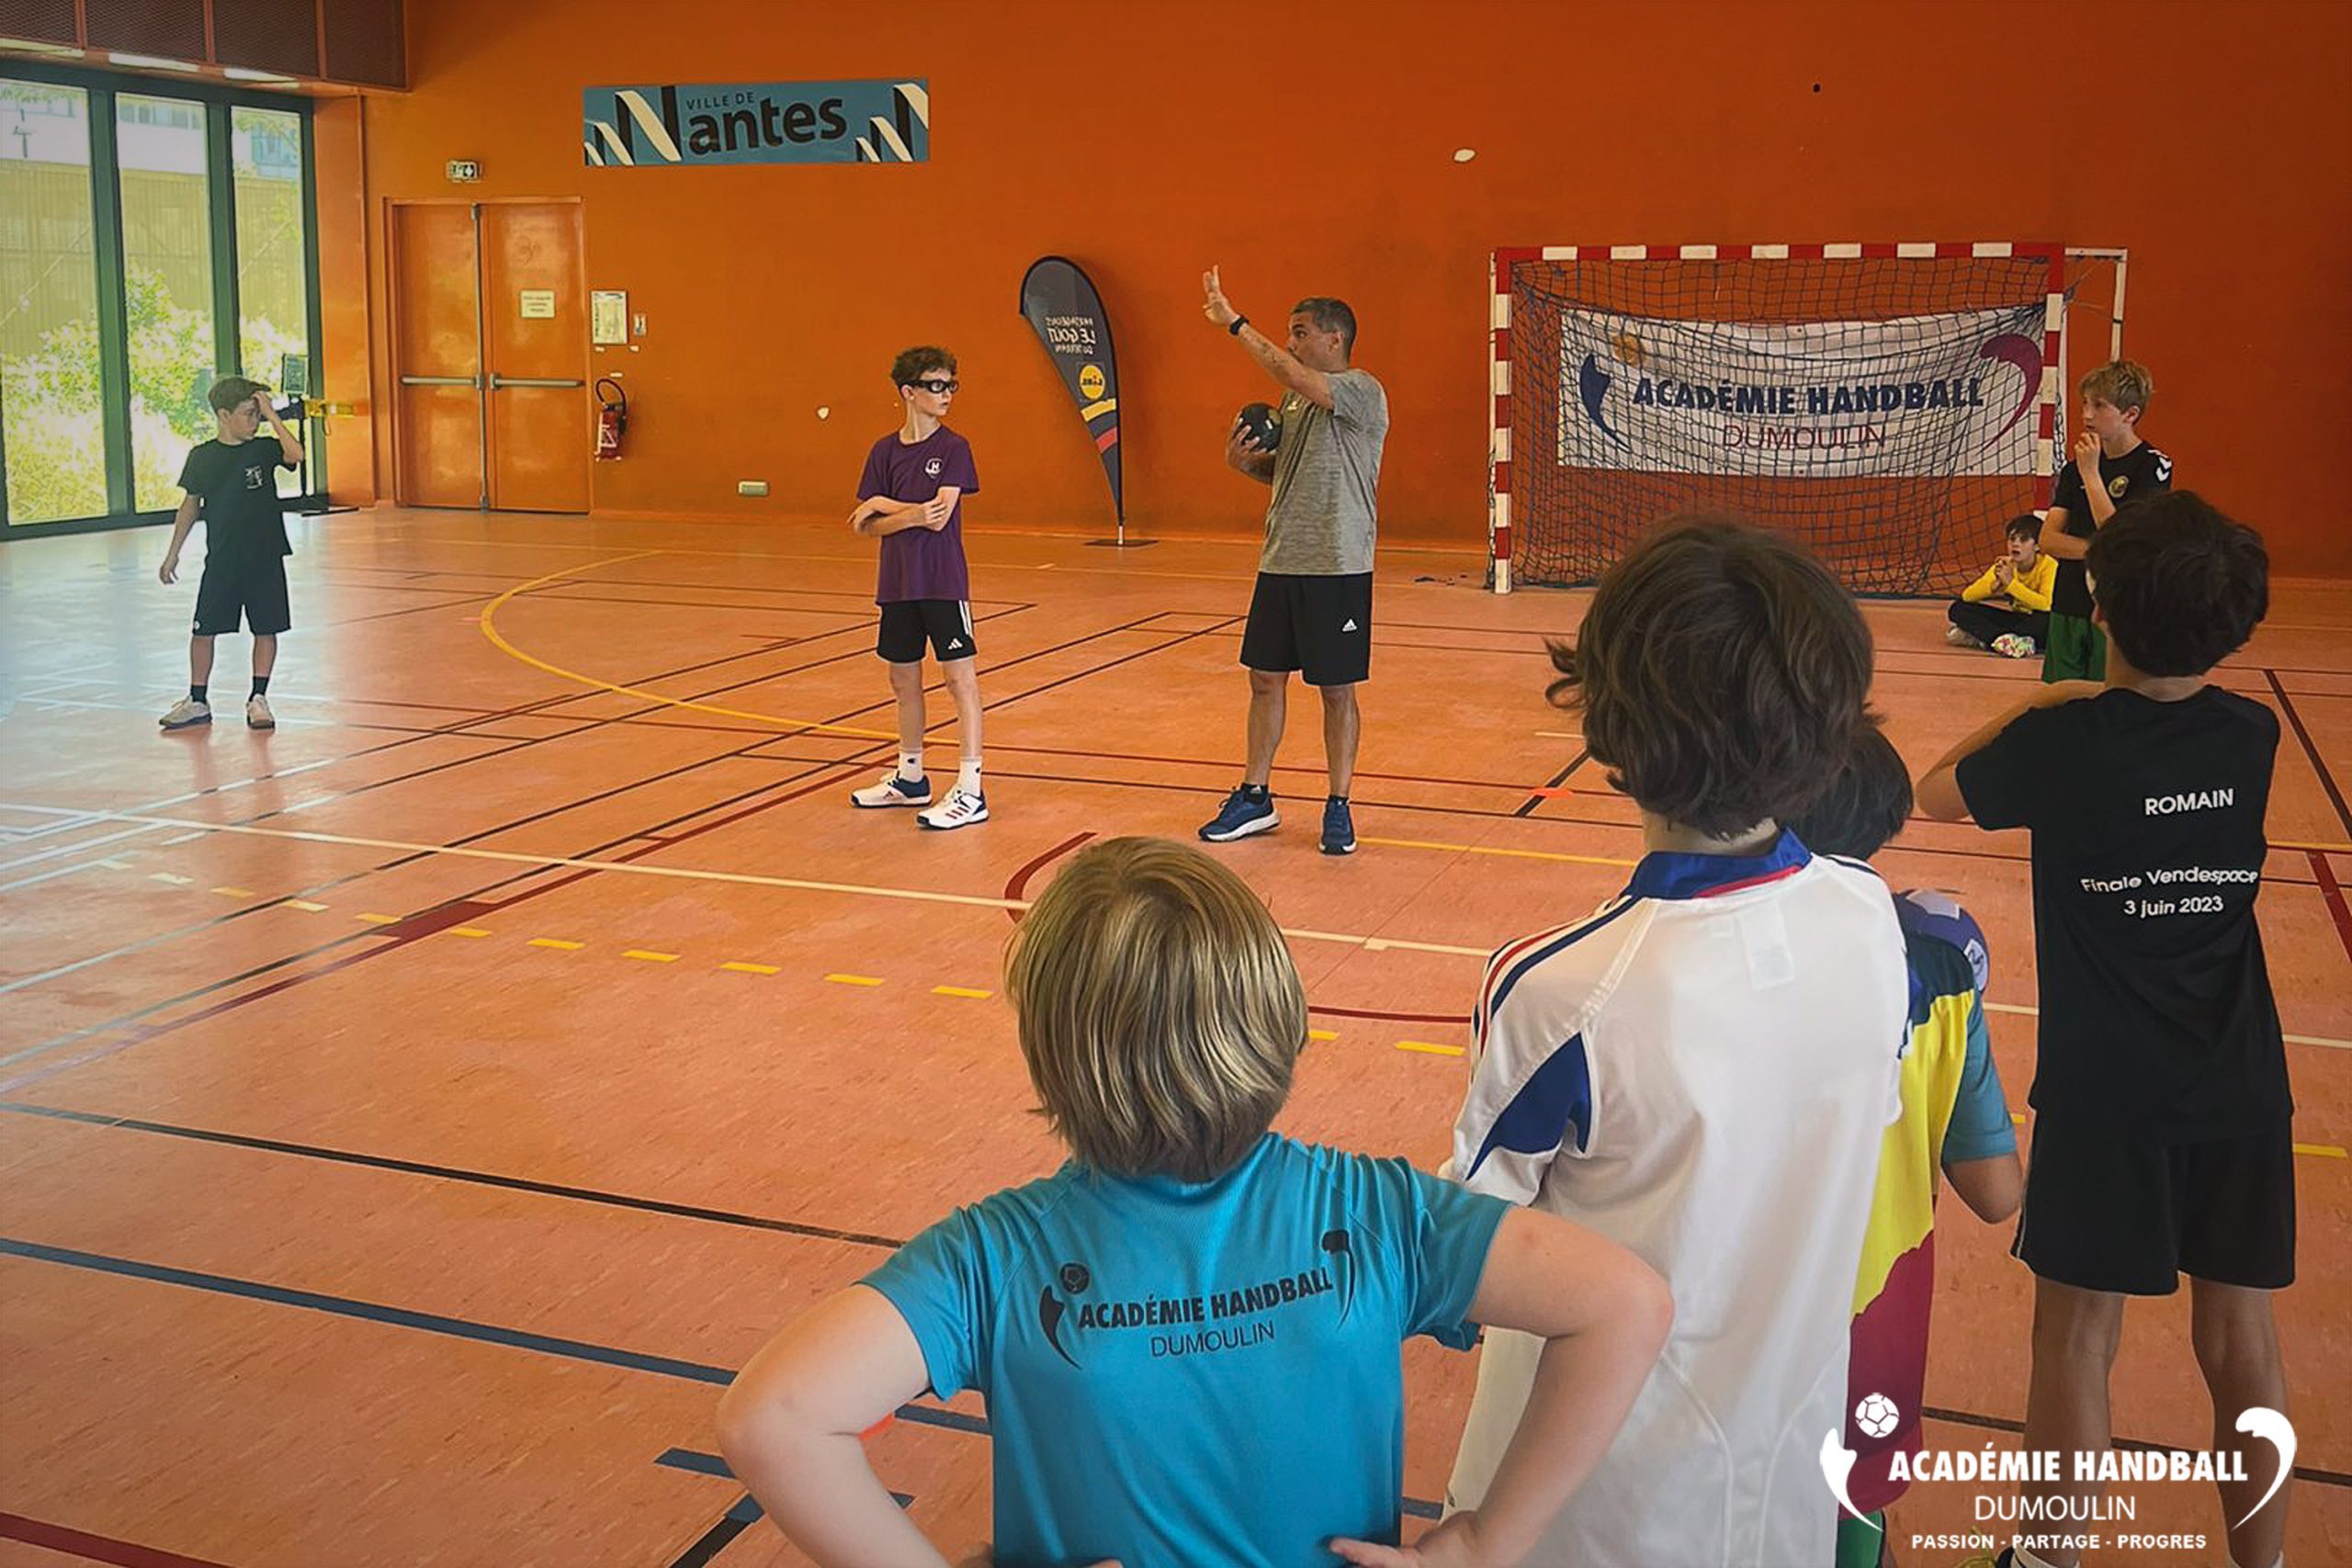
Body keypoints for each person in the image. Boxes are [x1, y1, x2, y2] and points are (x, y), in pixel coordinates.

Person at [717, 837, 1672, 1568]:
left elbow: (774, 1420)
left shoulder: (996, 1257)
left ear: (1052, 1050)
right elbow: (1624, 1303)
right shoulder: (1373, 1213)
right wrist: (1484, 1544)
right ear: (1277, 1023)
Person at [1443, 519, 1908, 1568]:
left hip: (1585, 1515)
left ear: (1608, 724)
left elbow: (1465, 1256)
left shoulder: (1562, 991)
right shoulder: (1868, 915)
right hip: (1788, 1485)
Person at [1917, 492, 2291, 1568]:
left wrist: (2045, 702)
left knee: (2075, 1337)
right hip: (2239, 1081)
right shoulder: (2252, 733)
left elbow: (1934, 793)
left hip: (2105, 1092)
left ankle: (2047, 1557)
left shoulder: (2064, 740)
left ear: (2103, 607)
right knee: (2242, 1340)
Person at [1791, 724, 2024, 1568]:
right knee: (1852, 1511)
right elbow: (1997, 1191)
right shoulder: (1942, 969)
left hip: (1746, 1315)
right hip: (1876, 1315)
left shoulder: (1724, 963)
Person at [1196, 267, 1389, 856]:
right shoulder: (1296, 402)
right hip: (1281, 560)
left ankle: (1338, 804)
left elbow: (1289, 372)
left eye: (1300, 332)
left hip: (1337, 565)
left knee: (1336, 690)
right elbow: (1290, 475)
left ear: (1334, 338)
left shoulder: (1361, 390)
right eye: (1289, 332)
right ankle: (1256, 796)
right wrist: (1245, 465)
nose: (1291, 342)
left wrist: (1235, 324)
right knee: (1264, 679)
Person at [848, 346, 987, 830]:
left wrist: (883, 504)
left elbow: (938, 516)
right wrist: (902, 513)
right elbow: (863, 526)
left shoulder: (954, 448)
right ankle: (911, 778)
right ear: (909, 392)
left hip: (943, 582)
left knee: (959, 681)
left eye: (950, 385)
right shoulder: (883, 452)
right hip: (898, 584)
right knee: (903, 681)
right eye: (935, 385)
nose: (946, 394)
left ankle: (971, 789)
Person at [156, 377, 304, 731]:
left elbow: (296, 454)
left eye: (258, 414)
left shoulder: (264, 449)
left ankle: (258, 698)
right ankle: (197, 699)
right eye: (248, 414)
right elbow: (190, 505)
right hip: (223, 559)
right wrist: (173, 553)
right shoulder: (203, 456)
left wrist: (273, 415)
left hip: (265, 556)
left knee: (265, 628)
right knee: (203, 630)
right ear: (224, 415)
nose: (255, 421)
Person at [2037, 360, 2171, 683]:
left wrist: (2092, 475)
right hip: (2068, 600)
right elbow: (2048, 540)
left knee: (2108, 694)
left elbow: (2124, 539)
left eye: (2099, 406)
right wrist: (2103, 550)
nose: (2086, 415)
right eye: (2085, 403)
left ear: (2130, 414)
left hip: (2115, 609)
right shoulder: (2073, 469)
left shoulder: (2152, 466)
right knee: (2059, 697)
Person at [1949, 513, 2056, 658]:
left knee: (2045, 622)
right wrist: (1993, 587)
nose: (2015, 544)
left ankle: (1988, 638)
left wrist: (2011, 585)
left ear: (2037, 546)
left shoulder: (2049, 565)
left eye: (2024, 540)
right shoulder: (2005, 565)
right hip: (2017, 619)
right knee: (1958, 608)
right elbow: (1967, 596)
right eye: (2012, 539)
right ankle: (2002, 640)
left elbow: (2046, 604)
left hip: (2039, 620)